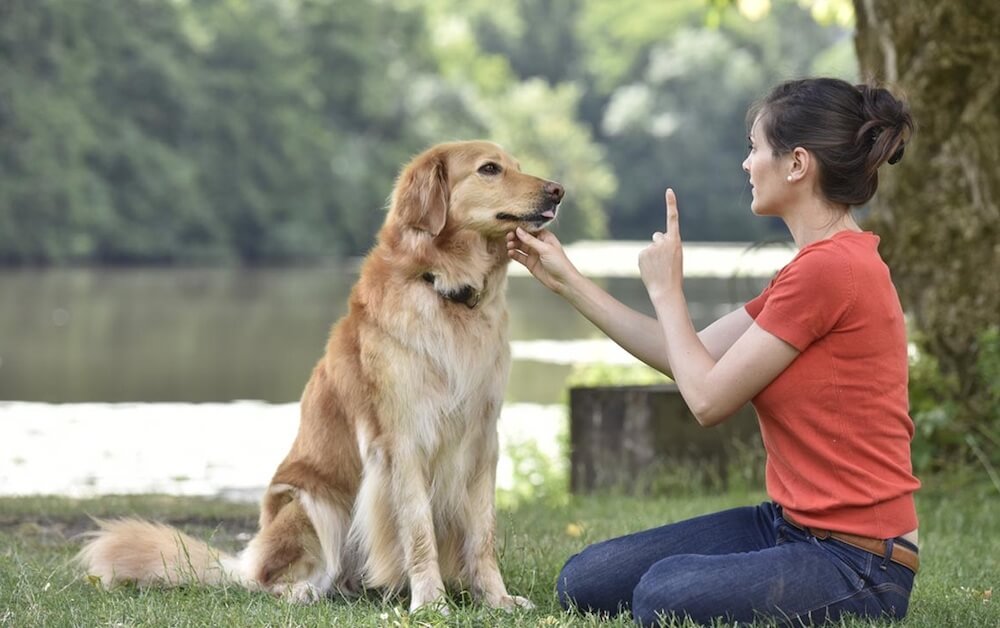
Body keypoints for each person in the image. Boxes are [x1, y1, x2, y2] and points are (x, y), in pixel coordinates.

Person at [506, 77, 920, 626]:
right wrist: (567, 281)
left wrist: (667, 292)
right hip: (790, 527)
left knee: (662, 596)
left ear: (797, 164)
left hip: (859, 563)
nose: (747, 164)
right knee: (585, 580)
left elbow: (704, 399)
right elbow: (690, 355)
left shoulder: (831, 271)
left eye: (755, 148)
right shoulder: (812, 269)